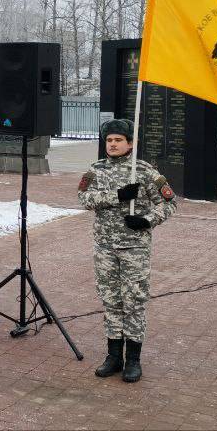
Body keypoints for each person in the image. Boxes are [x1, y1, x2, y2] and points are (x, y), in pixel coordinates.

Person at [79, 118, 177, 383]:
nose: (112, 144)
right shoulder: (96, 170)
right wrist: (118, 196)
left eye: (118, 140)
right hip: (105, 247)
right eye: (109, 140)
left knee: (133, 302)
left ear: (130, 143)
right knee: (111, 301)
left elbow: (169, 203)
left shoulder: (144, 171)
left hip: (134, 247)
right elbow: (84, 199)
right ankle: (114, 356)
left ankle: (133, 359)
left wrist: (147, 221)